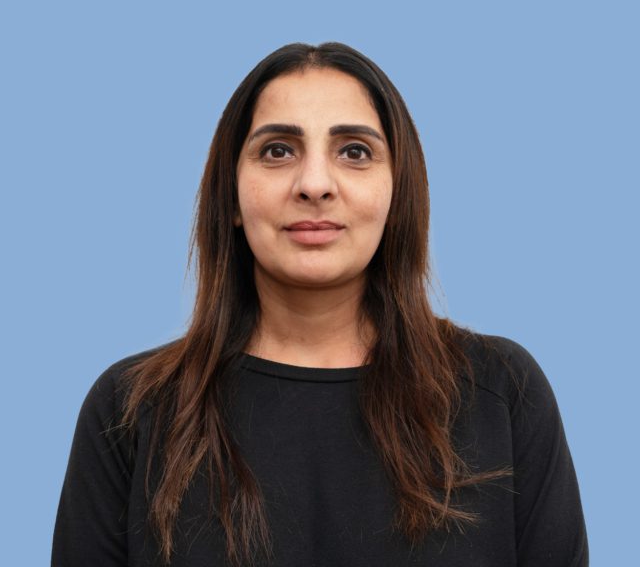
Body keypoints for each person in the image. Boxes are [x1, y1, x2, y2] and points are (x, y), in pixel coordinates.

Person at [52, 42, 588, 566]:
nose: (314, 184)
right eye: (277, 150)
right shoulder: (129, 412)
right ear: (231, 196)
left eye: (354, 151)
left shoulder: (503, 393)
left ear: (397, 193)